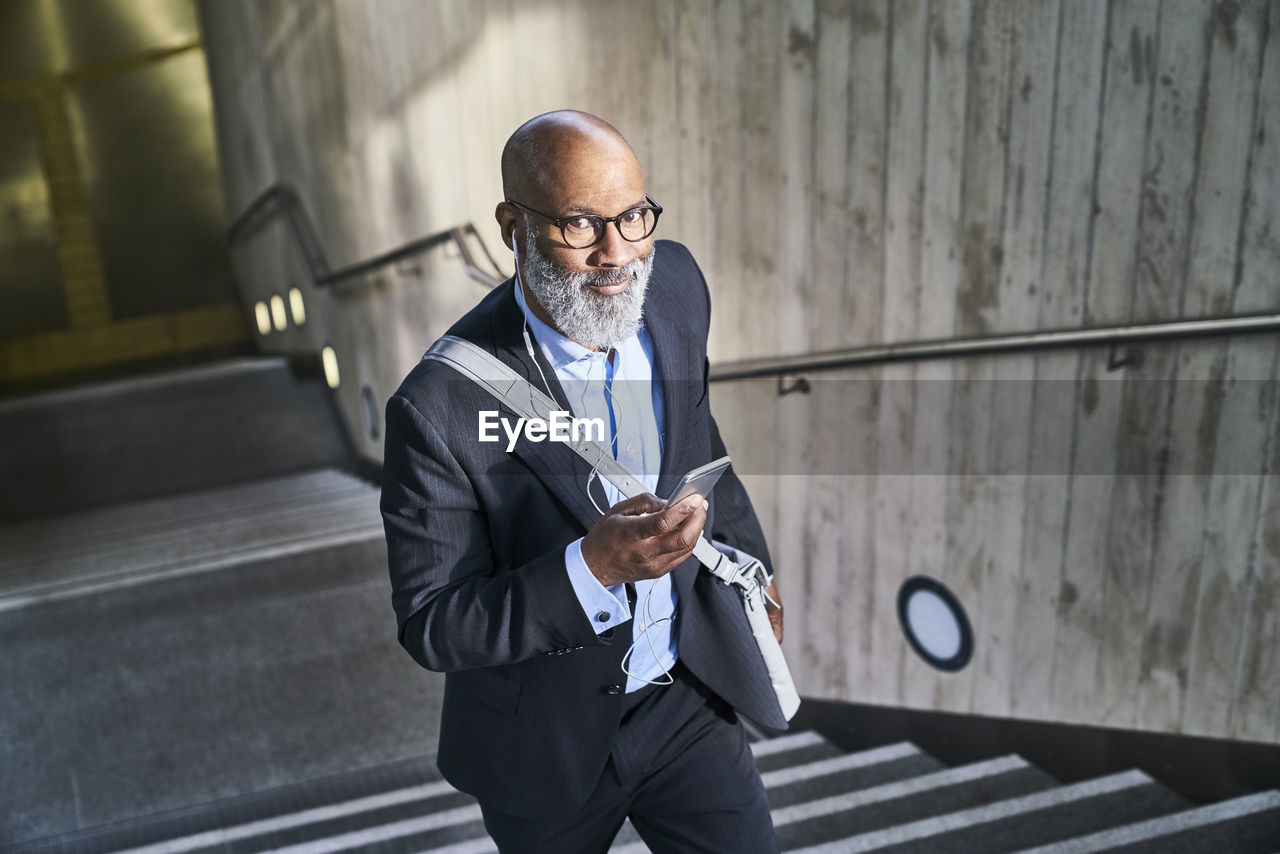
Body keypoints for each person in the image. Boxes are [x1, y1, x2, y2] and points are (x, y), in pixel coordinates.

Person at [380, 109, 787, 853]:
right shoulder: (436, 408)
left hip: (686, 701)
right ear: (513, 226)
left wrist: (748, 566)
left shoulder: (676, 291)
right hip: (540, 742)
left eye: (634, 216)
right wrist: (592, 568)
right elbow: (434, 623)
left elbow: (700, 437)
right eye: (580, 225)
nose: (618, 253)